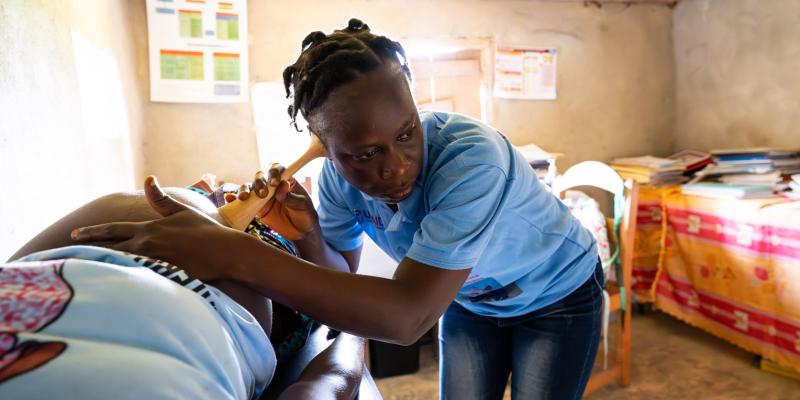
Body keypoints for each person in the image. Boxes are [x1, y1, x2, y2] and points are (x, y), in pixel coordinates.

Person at [73, 18, 604, 399]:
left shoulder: (471, 160)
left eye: (407, 133)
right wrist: (308, 239)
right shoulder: (334, 183)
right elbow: (341, 277)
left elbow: (406, 316)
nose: (395, 167)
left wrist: (231, 253)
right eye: (364, 153)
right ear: (326, 147)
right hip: (471, 302)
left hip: (556, 296)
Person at [8, 185, 366, 400]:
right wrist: (354, 331)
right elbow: (327, 381)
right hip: (66, 267)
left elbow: (329, 380)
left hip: (59, 268)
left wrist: (353, 332)